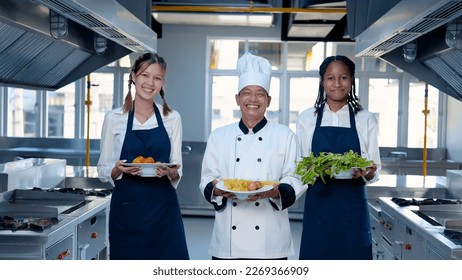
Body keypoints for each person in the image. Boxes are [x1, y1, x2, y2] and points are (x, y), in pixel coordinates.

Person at [199, 52, 306, 260]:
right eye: (247, 93)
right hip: (228, 243)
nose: (253, 99)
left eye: (260, 93)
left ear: (269, 100)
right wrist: (217, 188)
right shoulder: (219, 136)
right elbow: (206, 178)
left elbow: (296, 178)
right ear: (237, 99)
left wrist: (273, 192)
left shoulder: (285, 135)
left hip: (270, 243)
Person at [97, 53, 189, 260]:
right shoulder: (114, 118)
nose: (150, 83)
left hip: (164, 211)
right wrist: (117, 170)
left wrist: (172, 172)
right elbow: (103, 168)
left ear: (162, 82)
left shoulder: (172, 118)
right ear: (133, 76)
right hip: (128, 209)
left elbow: (177, 167)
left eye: (157, 78)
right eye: (145, 75)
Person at [296, 55, 381, 260]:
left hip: (353, 209)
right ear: (322, 81)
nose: (337, 84)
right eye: (330, 78)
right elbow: (300, 166)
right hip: (319, 208)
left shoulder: (365, 119)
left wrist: (367, 171)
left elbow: (374, 168)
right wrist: (314, 170)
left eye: (343, 77)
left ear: (351, 80)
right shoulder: (307, 118)